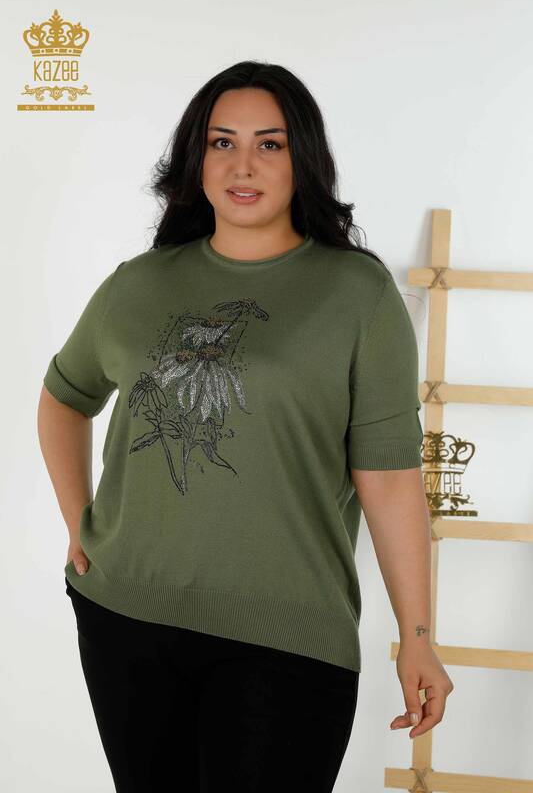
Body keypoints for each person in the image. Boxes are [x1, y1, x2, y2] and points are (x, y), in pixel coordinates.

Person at [37, 59, 454, 792]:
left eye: (269, 144)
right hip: (126, 614)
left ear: (303, 159)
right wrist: (80, 521)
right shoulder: (139, 283)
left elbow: (388, 476)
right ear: (195, 158)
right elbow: (64, 395)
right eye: (221, 142)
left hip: (287, 635)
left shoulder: (357, 294)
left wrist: (416, 638)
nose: (243, 165)